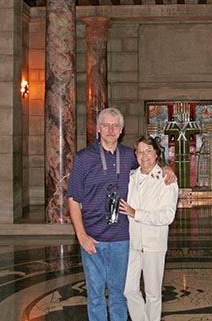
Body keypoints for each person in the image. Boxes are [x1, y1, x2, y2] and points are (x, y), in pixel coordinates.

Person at [66, 108, 176, 321]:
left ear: (121, 130)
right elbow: (73, 199)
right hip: (93, 237)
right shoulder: (83, 158)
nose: (110, 130)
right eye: (106, 125)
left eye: (115, 126)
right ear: (98, 128)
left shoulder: (128, 156)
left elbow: (149, 162)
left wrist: (167, 168)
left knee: (120, 293)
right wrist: (81, 235)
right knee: (95, 294)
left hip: (123, 238)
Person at [120, 135, 179, 321]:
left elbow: (167, 216)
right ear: (135, 155)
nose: (144, 155)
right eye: (140, 151)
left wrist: (136, 213)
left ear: (156, 154)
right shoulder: (130, 178)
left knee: (153, 294)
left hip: (154, 244)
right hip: (133, 244)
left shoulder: (166, 180)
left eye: (148, 151)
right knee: (129, 289)